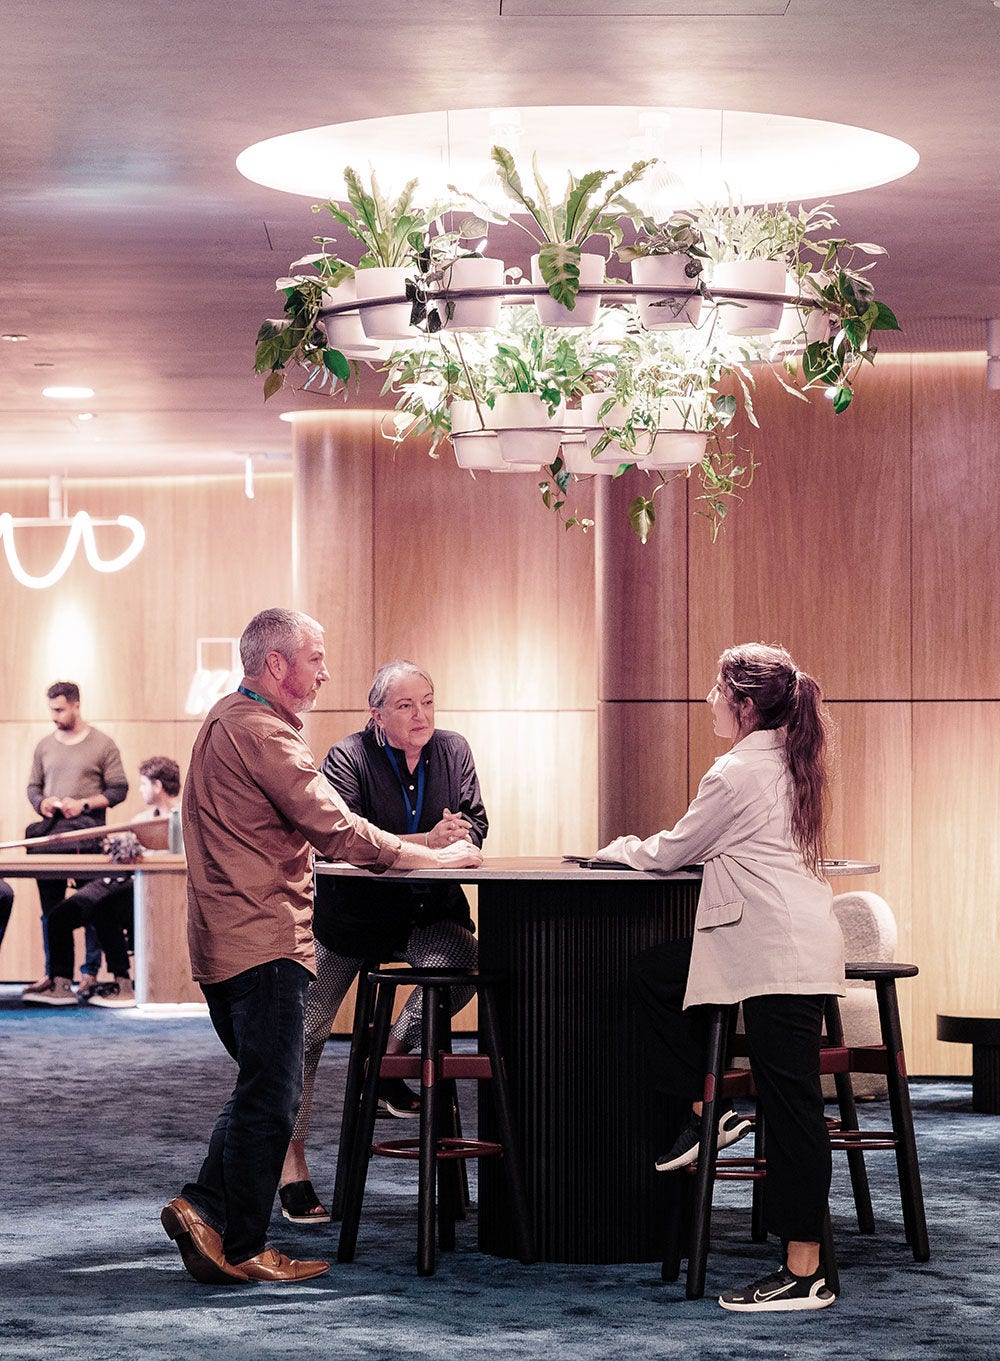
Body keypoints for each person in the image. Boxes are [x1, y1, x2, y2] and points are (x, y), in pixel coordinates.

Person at [161, 608, 483, 1287]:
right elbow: (338, 829)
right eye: (315, 658)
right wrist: (428, 856)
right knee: (271, 1097)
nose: (325, 672)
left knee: (262, 1086)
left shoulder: (226, 719)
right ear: (276, 664)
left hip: (231, 938)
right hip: (262, 939)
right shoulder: (262, 732)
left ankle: (204, 1206)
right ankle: (243, 1244)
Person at [594, 642, 845, 1314]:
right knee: (657, 974)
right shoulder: (791, 757)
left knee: (792, 1111)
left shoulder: (736, 771)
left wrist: (619, 849)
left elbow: (674, 849)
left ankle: (805, 1273)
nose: (709, 700)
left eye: (717, 690)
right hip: (780, 942)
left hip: (775, 952)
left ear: (744, 703)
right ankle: (709, 1110)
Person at [278, 659, 487, 1225]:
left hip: (427, 914)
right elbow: (341, 841)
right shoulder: (347, 757)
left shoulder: (453, 749)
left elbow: (476, 822)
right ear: (377, 715)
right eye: (405, 705)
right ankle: (291, 1162)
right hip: (352, 919)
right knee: (306, 1031)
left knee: (462, 963)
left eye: (427, 701)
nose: (421, 715)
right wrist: (428, 842)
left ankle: (389, 1061)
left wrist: (461, 835)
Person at [30, 757, 183, 1010]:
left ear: (157, 785)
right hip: (122, 882)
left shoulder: (183, 818)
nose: (140, 790)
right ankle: (61, 984)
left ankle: (123, 984)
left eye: (144, 784)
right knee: (60, 916)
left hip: (155, 892)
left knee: (105, 909)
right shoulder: (141, 820)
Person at [23, 681, 128, 1001]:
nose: (54, 716)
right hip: (51, 837)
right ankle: (57, 977)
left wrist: (83, 805)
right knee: (51, 912)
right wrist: (42, 803)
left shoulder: (103, 744)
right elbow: (33, 787)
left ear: (76, 705)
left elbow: (119, 789)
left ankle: (92, 974)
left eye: (59, 710)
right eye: (51, 710)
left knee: (96, 909)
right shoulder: (44, 745)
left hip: (88, 837)